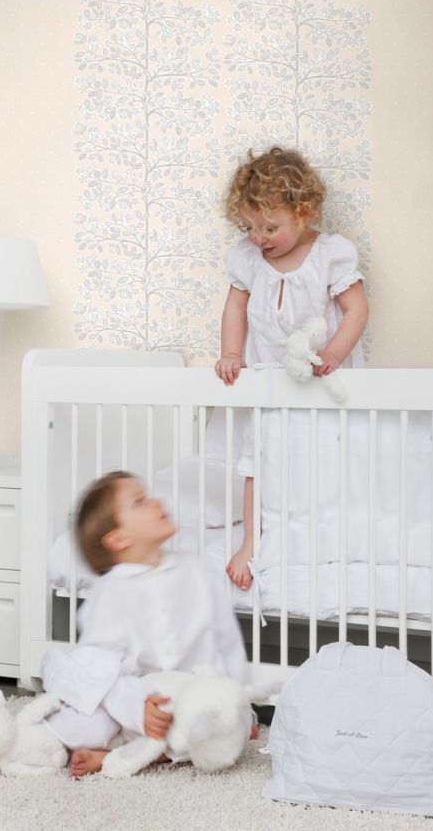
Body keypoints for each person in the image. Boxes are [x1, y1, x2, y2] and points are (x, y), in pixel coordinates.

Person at [215, 146, 369, 590]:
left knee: (326, 461)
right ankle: (251, 539)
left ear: (303, 213)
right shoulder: (247, 259)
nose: (259, 237)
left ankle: (323, 536)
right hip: (269, 381)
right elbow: (235, 309)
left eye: (269, 227)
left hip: (319, 381)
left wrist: (335, 353)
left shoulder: (329, 254)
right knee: (257, 463)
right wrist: (231, 354)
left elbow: (356, 309)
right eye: (249, 227)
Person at [41, 470, 255, 777]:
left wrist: (237, 699)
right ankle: (122, 747)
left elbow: (227, 643)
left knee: (220, 730)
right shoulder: (111, 592)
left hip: (190, 695)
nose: (157, 502)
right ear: (119, 538)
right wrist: (136, 708)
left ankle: (129, 755)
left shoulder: (194, 571)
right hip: (133, 698)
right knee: (86, 724)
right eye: (140, 501)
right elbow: (100, 669)